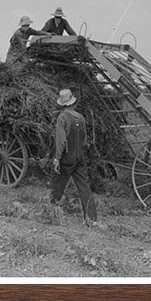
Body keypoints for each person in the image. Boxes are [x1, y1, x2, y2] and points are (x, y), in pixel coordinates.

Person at [49, 88, 98, 222]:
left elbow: (61, 141)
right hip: (79, 156)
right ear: (72, 102)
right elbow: (84, 140)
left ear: (62, 104)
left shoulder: (62, 117)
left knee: (58, 183)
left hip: (67, 156)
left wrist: (57, 159)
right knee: (84, 186)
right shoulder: (80, 117)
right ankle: (91, 218)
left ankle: (53, 213)